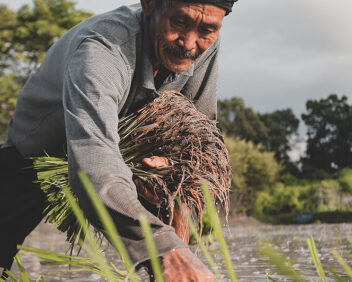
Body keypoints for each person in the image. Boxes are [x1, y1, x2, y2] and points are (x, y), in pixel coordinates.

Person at [0, 0, 237, 280]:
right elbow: (94, 164)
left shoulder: (203, 38)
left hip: (130, 154)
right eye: (179, 23)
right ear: (149, 4)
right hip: (37, 154)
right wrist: (165, 250)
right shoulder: (102, 47)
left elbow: (197, 135)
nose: (189, 43)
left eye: (207, 29)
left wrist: (173, 172)